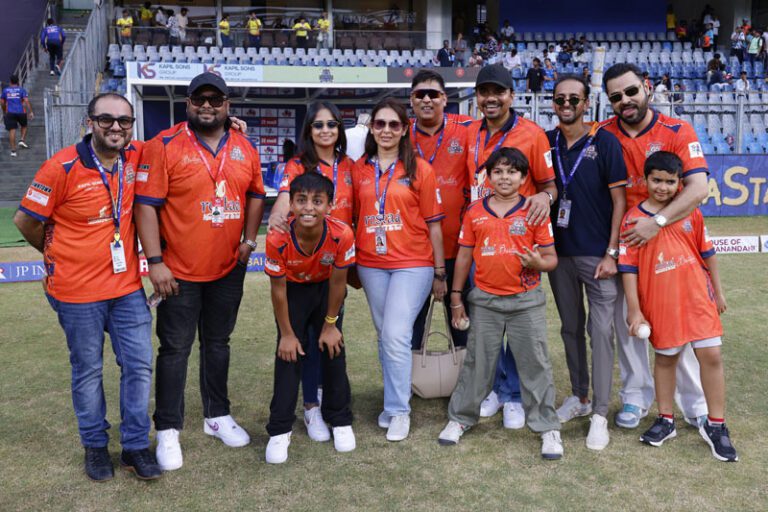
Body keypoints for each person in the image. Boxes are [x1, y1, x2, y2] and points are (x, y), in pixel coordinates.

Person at [13, 93, 161, 481]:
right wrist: (55, 252)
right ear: (89, 122)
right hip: (76, 293)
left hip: (127, 287)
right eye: (107, 120)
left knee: (139, 366)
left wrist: (230, 126)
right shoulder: (60, 166)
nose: (117, 127)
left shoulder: (134, 157)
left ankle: (134, 446)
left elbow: (176, 138)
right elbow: (25, 221)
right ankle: (95, 446)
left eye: (125, 121)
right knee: (88, 372)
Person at [134, 72, 266, 471]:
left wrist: (248, 241)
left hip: (228, 267)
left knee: (218, 343)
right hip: (178, 271)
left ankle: (217, 415)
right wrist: (155, 262)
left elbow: (256, 194)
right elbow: (145, 206)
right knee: (175, 349)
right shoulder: (164, 145)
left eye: (215, 99)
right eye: (199, 100)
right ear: (188, 103)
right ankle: (169, 428)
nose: (207, 106)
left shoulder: (244, 145)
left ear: (228, 104)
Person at [600, 63, 710, 430]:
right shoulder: (602, 134)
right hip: (626, 242)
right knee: (630, 322)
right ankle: (635, 397)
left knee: (678, 323)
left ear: (646, 86)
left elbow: (697, 189)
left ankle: (693, 401)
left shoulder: (678, 129)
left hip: (669, 241)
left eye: (631, 91)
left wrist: (656, 223)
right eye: (616, 96)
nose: (625, 100)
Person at [436, 147, 563, 459]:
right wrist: (455, 297)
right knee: (477, 363)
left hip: (525, 301)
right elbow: (464, 255)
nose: (505, 177)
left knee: (535, 364)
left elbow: (551, 259)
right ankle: (460, 419)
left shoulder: (534, 211)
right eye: (498, 172)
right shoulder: (475, 211)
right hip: (486, 301)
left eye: (512, 172)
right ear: (487, 176)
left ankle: (548, 427)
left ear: (523, 177)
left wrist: (538, 261)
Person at [619, 151, 738, 462]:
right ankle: (666, 419)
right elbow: (628, 268)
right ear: (644, 180)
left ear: (679, 183)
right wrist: (634, 309)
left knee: (711, 355)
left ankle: (717, 425)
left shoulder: (691, 212)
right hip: (661, 302)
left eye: (670, 181)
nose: (662, 187)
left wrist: (720, 292)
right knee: (666, 359)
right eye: (656, 180)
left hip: (699, 298)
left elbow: (707, 252)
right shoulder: (632, 219)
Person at [466, 64, 557, 428]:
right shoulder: (471, 131)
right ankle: (494, 388)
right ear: (477, 97)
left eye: (498, 91)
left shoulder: (532, 134)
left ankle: (516, 395)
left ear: (511, 96)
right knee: (488, 320)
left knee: (518, 322)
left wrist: (544, 200)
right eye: (484, 92)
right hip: (483, 236)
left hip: (520, 241)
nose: (491, 98)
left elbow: (550, 186)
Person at [352, 97, 446, 442]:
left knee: (394, 333)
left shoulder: (420, 169)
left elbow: (435, 226)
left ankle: (398, 410)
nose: (387, 130)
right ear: (371, 128)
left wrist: (439, 273)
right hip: (371, 263)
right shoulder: (358, 168)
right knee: (387, 336)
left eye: (394, 124)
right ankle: (397, 397)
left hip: (413, 263)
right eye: (380, 124)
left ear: (405, 129)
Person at [546, 75, 627, 450]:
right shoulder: (546, 142)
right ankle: (579, 397)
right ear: (553, 102)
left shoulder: (605, 142)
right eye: (560, 98)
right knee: (570, 328)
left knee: (601, 334)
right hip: (558, 254)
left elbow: (620, 203)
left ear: (586, 102)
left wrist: (613, 252)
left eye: (574, 98)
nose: (567, 104)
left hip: (598, 257)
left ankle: (599, 412)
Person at [267, 101, 354, 441]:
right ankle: (309, 407)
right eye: (318, 125)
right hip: (302, 254)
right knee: (296, 341)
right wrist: (278, 218)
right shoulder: (297, 165)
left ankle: (332, 412)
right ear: (309, 131)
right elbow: (286, 197)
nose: (326, 131)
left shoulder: (351, 166)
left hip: (339, 255)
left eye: (332, 124)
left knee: (330, 337)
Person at [408, 70, 471, 351]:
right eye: (420, 94)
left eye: (433, 94)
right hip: (415, 253)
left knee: (463, 325)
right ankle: (409, 383)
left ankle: (466, 385)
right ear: (411, 100)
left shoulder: (467, 129)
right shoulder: (399, 136)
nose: (426, 99)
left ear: (444, 99)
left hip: (460, 250)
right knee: (412, 326)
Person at [1, 74, 34, 157]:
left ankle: (13, 151)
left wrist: (4, 110)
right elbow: (26, 101)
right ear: (18, 81)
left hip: (10, 113)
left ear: (10, 81)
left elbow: (2, 102)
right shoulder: (21, 89)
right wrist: (31, 112)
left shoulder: (5, 90)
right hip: (21, 112)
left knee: (12, 130)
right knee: (24, 125)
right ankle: (21, 139)